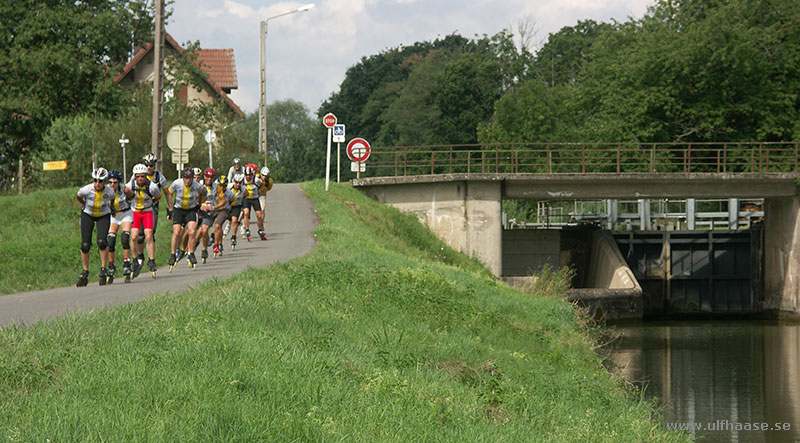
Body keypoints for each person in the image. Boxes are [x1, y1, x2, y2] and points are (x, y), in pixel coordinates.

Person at [75, 168, 116, 287]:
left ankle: (103, 269)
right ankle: (85, 271)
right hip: (88, 214)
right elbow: (78, 195)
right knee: (85, 245)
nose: (98, 184)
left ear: (105, 181)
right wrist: (84, 204)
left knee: (102, 242)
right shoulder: (87, 189)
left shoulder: (109, 191)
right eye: (96, 180)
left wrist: (111, 208)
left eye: (101, 181)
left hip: (103, 215)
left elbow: (112, 198)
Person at [125, 163, 162, 279]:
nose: (140, 179)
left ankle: (152, 260)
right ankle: (135, 259)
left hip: (147, 211)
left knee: (149, 235)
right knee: (134, 236)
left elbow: (158, 196)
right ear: (134, 177)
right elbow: (124, 194)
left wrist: (152, 202)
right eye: (138, 176)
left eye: (142, 176)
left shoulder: (152, 187)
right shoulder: (130, 185)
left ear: (146, 176)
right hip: (135, 211)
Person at [166, 167, 205, 271]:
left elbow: (202, 193)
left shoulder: (197, 185)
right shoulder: (177, 183)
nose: (187, 181)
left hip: (191, 209)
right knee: (177, 232)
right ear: (182, 177)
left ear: (193, 178)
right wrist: (169, 208)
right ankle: (173, 254)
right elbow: (169, 193)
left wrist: (199, 204)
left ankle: (191, 253)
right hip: (178, 209)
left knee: (192, 232)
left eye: (190, 178)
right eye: (185, 178)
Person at [136, 153, 169, 264]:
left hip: (152, 208)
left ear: (154, 166)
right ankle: (140, 256)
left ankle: (152, 259)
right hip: (138, 208)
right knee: (140, 236)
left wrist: (170, 208)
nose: (149, 167)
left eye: (151, 165)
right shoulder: (137, 175)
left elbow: (167, 192)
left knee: (150, 233)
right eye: (147, 165)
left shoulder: (159, 176)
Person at [106, 169, 134, 283]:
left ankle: (127, 262)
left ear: (119, 182)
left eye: (115, 182)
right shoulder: (106, 190)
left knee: (124, 238)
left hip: (125, 214)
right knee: (111, 241)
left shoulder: (124, 189)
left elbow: (133, 196)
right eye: (111, 182)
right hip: (114, 216)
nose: (113, 184)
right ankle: (111, 265)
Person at [195, 168, 220, 263]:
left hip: (209, 212)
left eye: (211, 177)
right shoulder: (198, 184)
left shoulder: (216, 186)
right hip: (199, 210)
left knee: (204, 229)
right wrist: (201, 205)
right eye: (207, 176)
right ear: (204, 176)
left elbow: (223, 200)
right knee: (196, 232)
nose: (209, 179)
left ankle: (204, 249)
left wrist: (215, 207)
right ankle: (196, 242)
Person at [241, 166, 267, 241]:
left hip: (255, 198)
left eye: (250, 175)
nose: (248, 177)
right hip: (246, 199)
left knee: (259, 215)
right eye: (247, 175)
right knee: (246, 213)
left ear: (252, 174)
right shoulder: (242, 180)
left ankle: (260, 229)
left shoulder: (256, 180)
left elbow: (261, 185)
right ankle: (247, 229)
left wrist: (258, 191)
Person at [212, 175, 234, 257]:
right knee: (215, 228)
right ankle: (219, 242)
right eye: (220, 185)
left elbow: (232, 201)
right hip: (214, 209)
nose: (222, 187)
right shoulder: (214, 191)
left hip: (224, 210)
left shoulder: (229, 193)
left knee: (218, 225)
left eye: (224, 185)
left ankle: (216, 244)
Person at [226, 173, 246, 250]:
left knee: (234, 221)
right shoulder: (228, 187)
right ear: (233, 181)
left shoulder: (244, 189)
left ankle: (233, 237)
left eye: (239, 182)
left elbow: (245, 197)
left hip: (236, 206)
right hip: (227, 205)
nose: (237, 184)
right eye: (236, 182)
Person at [256, 166, 274, 240]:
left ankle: (261, 224)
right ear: (260, 174)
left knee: (262, 210)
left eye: (266, 176)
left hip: (262, 194)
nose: (264, 177)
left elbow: (268, 188)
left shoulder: (270, 182)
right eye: (263, 175)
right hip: (254, 194)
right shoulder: (256, 178)